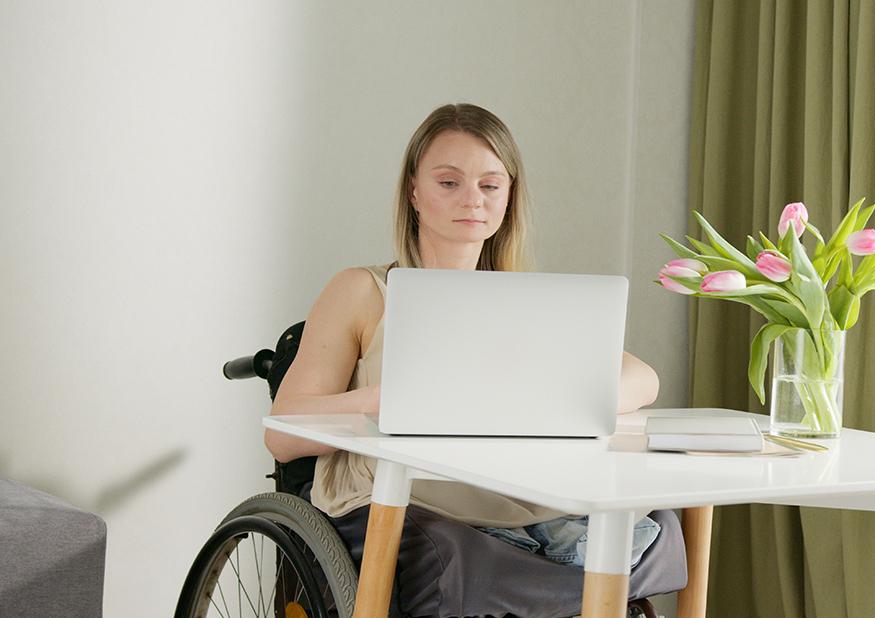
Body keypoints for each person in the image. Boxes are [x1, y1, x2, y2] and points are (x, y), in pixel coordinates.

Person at [263, 103, 679, 617]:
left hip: (509, 489)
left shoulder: (523, 302)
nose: (472, 201)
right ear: (414, 191)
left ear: (509, 197)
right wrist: (397, 400)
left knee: (660, 519)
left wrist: (561, 402)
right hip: (410, 499)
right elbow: (282, 435)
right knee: (451, 553)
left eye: (490, 185)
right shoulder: (363, 291)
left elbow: (643, 378)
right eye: (449, 182)